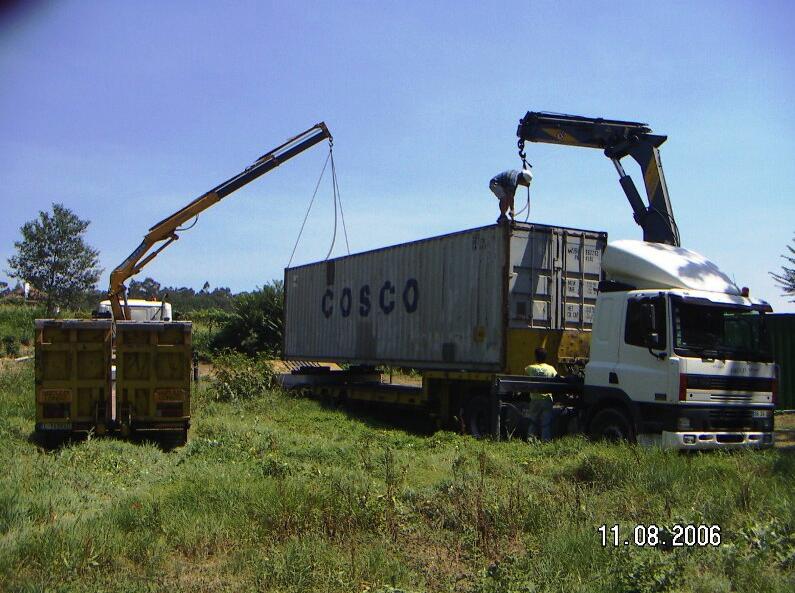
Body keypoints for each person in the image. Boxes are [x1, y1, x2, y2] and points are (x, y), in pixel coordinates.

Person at [524, 346, 557, 441]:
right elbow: (556, 376)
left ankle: (530, 439)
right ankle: (545, 440)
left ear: (535, 357)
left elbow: (525, 370)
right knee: (546, 423)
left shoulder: (531, 368)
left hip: (535, 399)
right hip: (547, 400)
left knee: (533, 420)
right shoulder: (551, 369)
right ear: (546, 357)